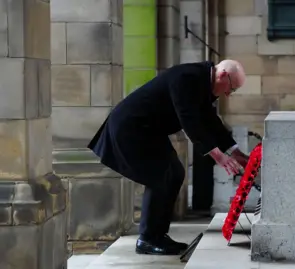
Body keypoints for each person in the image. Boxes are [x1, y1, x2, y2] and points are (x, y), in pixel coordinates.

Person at [87, 60, 250, 255]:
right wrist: (219, 157)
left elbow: (209, 120)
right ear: (222, 75)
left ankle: (157, 235)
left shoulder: (202, 82)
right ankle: (148, 239)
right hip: (131, 128)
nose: (228, 94)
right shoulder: (188, 77)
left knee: (174, 173)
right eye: (231, 88)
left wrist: (235, 152)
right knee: (161, 176)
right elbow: (189, 119)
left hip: (149, 131)